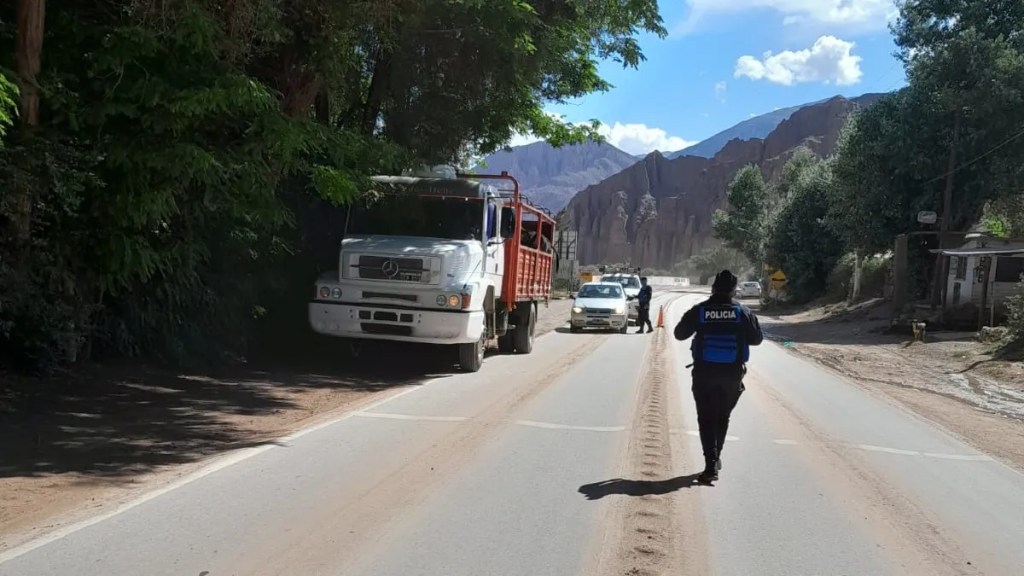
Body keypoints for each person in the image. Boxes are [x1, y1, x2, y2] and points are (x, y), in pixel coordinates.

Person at [674, 270, 763, 483]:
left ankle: (711, 464)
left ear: (713, 288)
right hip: (732, 373)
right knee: (722, 416)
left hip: (704, 372)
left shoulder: (700, 310)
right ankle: (716, 458)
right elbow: (756, 339)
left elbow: (679, 334)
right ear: (734, 290)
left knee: (706, 418)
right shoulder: (742, 312)